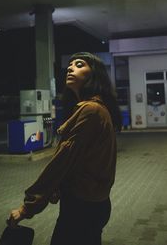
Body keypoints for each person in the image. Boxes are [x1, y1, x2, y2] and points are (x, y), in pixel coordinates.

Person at [9, 52, 122, 245]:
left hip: (82, 208)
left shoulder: (91, 110)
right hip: (94, 203)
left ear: (94, 74)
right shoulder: (95, 109)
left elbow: (62, 162)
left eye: (79, 65)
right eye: (69, 65)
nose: (70, 68)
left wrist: (27, 208)